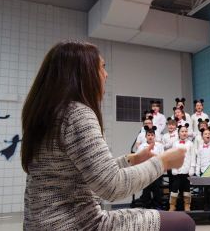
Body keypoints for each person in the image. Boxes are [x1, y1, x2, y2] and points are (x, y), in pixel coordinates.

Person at [21, 41, 195, 230]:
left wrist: (131, 160)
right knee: (183, 223)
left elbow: (94, 173)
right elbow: (112, 187)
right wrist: (164, 162)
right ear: (83, 73)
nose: (106, 74)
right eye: (102, 67)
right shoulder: (77, 114)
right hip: (78, 224)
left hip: (41, 224)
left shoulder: (49, 114)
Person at [137, 126, 165, 209]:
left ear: (154, 136)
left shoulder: (159, 146)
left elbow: (162, 157)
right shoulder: (142, 146)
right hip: (146, 170)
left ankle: (158, 206)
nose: (150, 137)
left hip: (156, 170)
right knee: (146, 189)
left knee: (157, 189)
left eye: (152, 135)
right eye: (148, 135)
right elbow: (139, 158)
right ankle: (146, 207)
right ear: (145, 136)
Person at [170, 124, 194, 212]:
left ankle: (187, 205)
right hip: (177, 170)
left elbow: (192, 156)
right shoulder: (175, 144)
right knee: (174, 188)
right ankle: (172, 205)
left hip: (186, 170)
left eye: (185, 131)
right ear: (179, 133)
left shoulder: (191, 144)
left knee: (186, 188)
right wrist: (173, 168)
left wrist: (192, 167)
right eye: (182, 131)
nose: (184, 133)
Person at [195, 126, 210, 211]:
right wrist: (197, 170)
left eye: (209, 133)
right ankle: (206, 205)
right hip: (203, 171)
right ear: (202, 136)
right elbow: (198, 159)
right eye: (205, 134)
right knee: (205, 190)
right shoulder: (200, 147)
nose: (207, 135)